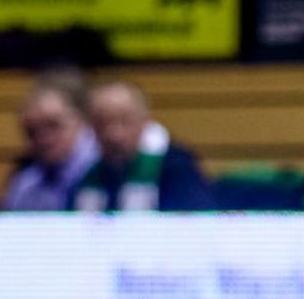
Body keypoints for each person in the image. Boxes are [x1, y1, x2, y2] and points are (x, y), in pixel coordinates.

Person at [71, 81, 214, 212]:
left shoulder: (176, 166)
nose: (114, 135)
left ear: (145, 121)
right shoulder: (83, 172)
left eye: (125, 121)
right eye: (102, 123)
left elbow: (192, 221)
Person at [2, 76, 100, 211]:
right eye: (32, 132)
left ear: (79, 120)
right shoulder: (24, 187)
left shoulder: (109, 167)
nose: (44, 140)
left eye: (53, 125)